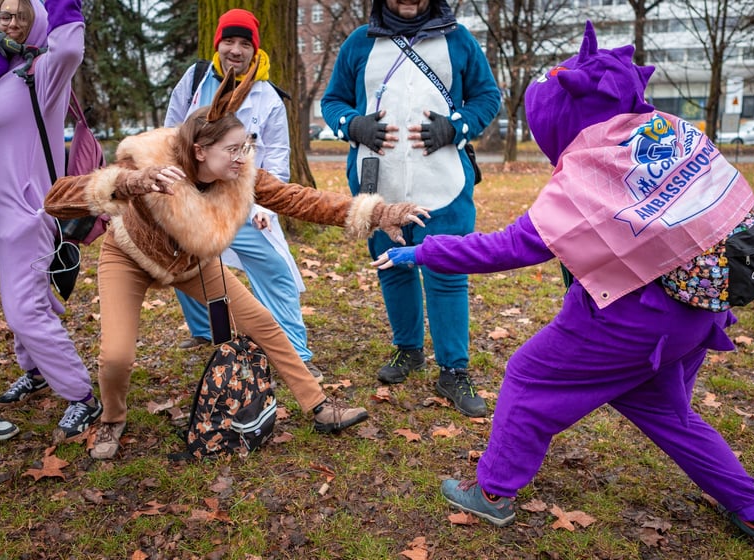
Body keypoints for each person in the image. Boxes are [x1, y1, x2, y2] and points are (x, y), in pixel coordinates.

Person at [374, 22, 754, 558]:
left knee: (528, 375)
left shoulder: (592, 174)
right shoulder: (667, 130)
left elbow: (511, 247)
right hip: (699, 311)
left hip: (633, 317)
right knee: (668, 413)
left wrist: (424, 250)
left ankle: (493, 492)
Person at [44, 62, 429, 460]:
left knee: (263, 322)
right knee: (116, 356)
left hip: (193, 264)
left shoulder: (240, 174)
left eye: (247, 146)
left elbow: (301, 199)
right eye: (233, 149)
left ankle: (319, 407)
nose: (244, 157)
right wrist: (125, 183)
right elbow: (56, 199)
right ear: (200, 151)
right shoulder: (144, 164)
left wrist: (377, 213)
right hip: (129, 256)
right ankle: (112, 418)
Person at [321, 0, 501, 417]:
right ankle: (408, 350)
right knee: (392, 267)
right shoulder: (358, 42)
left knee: (447, 272)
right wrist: (353, 124)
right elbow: (333, 101)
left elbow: (487, 96)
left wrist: (456, 128)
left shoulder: (458, 40)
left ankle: (454, 369)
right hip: (379, 186)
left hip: (444, 183)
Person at [165, 9, 323, 379]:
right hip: (195, 195)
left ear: (255, 49)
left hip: (244, 203)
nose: (235, 50)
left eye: (244, 43)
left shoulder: (268, 97)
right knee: (181, 262)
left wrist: (271, 206)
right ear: (217, 43)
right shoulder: (195, 80)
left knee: (275, 271)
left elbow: (279, 157)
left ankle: (296, 351)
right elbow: (172, 130)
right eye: (228, 41)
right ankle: (205, 330)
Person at [0, 0, 103, 442]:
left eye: (20, 14)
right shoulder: (5, 70)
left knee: (26, 313)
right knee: (21, 301)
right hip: (0, 215)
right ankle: (36, 371)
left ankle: (82, 396)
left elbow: (68, 50)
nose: (11, 23)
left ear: (37, 19)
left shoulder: (41, 73)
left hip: (26, 214)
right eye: (4, 14)